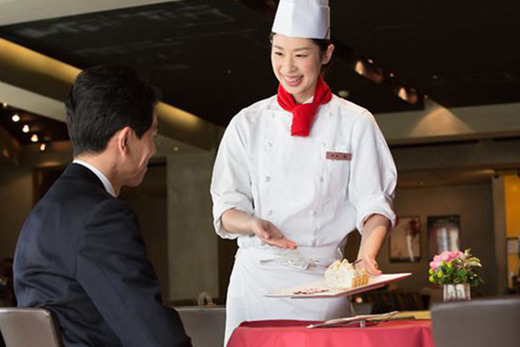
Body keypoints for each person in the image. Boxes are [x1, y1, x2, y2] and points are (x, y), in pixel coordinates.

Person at [210, 0, 397, 343]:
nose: (287, 66)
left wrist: (366, 255)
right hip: (257, 283)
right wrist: (253, 224)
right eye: (279, 53)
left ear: (326, 54)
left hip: (326, 284)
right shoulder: (246, 123)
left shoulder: (356, 122)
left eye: (300, 54)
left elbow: (374, 203)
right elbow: (226, 207)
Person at [13, 65, 192, 347]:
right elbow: (155, 338)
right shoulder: (101, 217)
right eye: (152, 136)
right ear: (125, 140)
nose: (153, 150)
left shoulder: (42, 213)